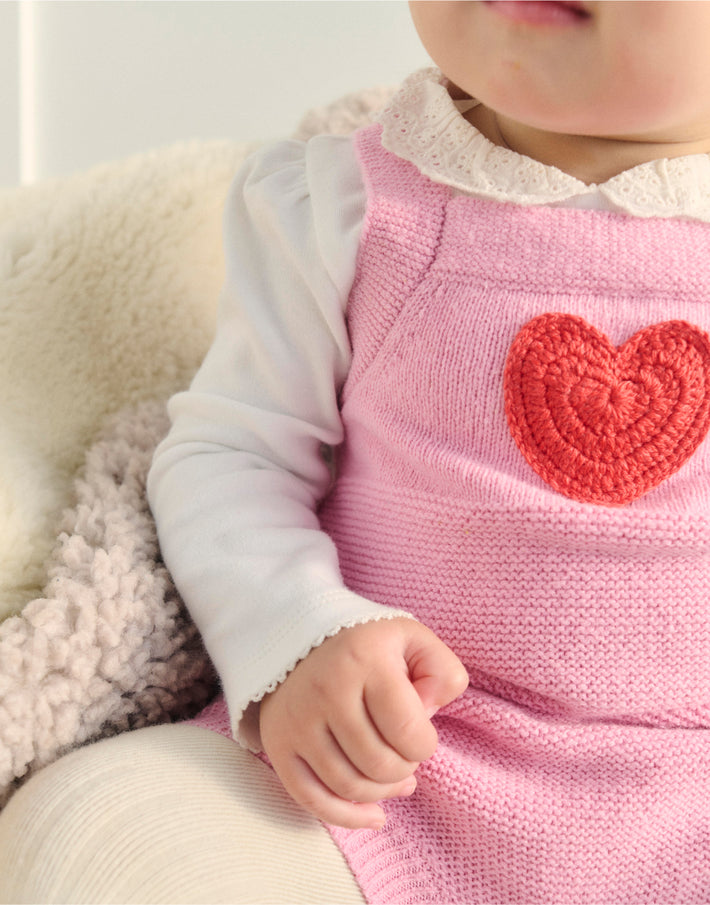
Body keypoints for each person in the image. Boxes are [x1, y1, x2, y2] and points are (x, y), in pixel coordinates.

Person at [4, 1, 710, 901]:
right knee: (92, 833)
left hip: (690, 801)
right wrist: (297, 636)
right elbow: (232, 454)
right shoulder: (347, 203)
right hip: (377, 774)